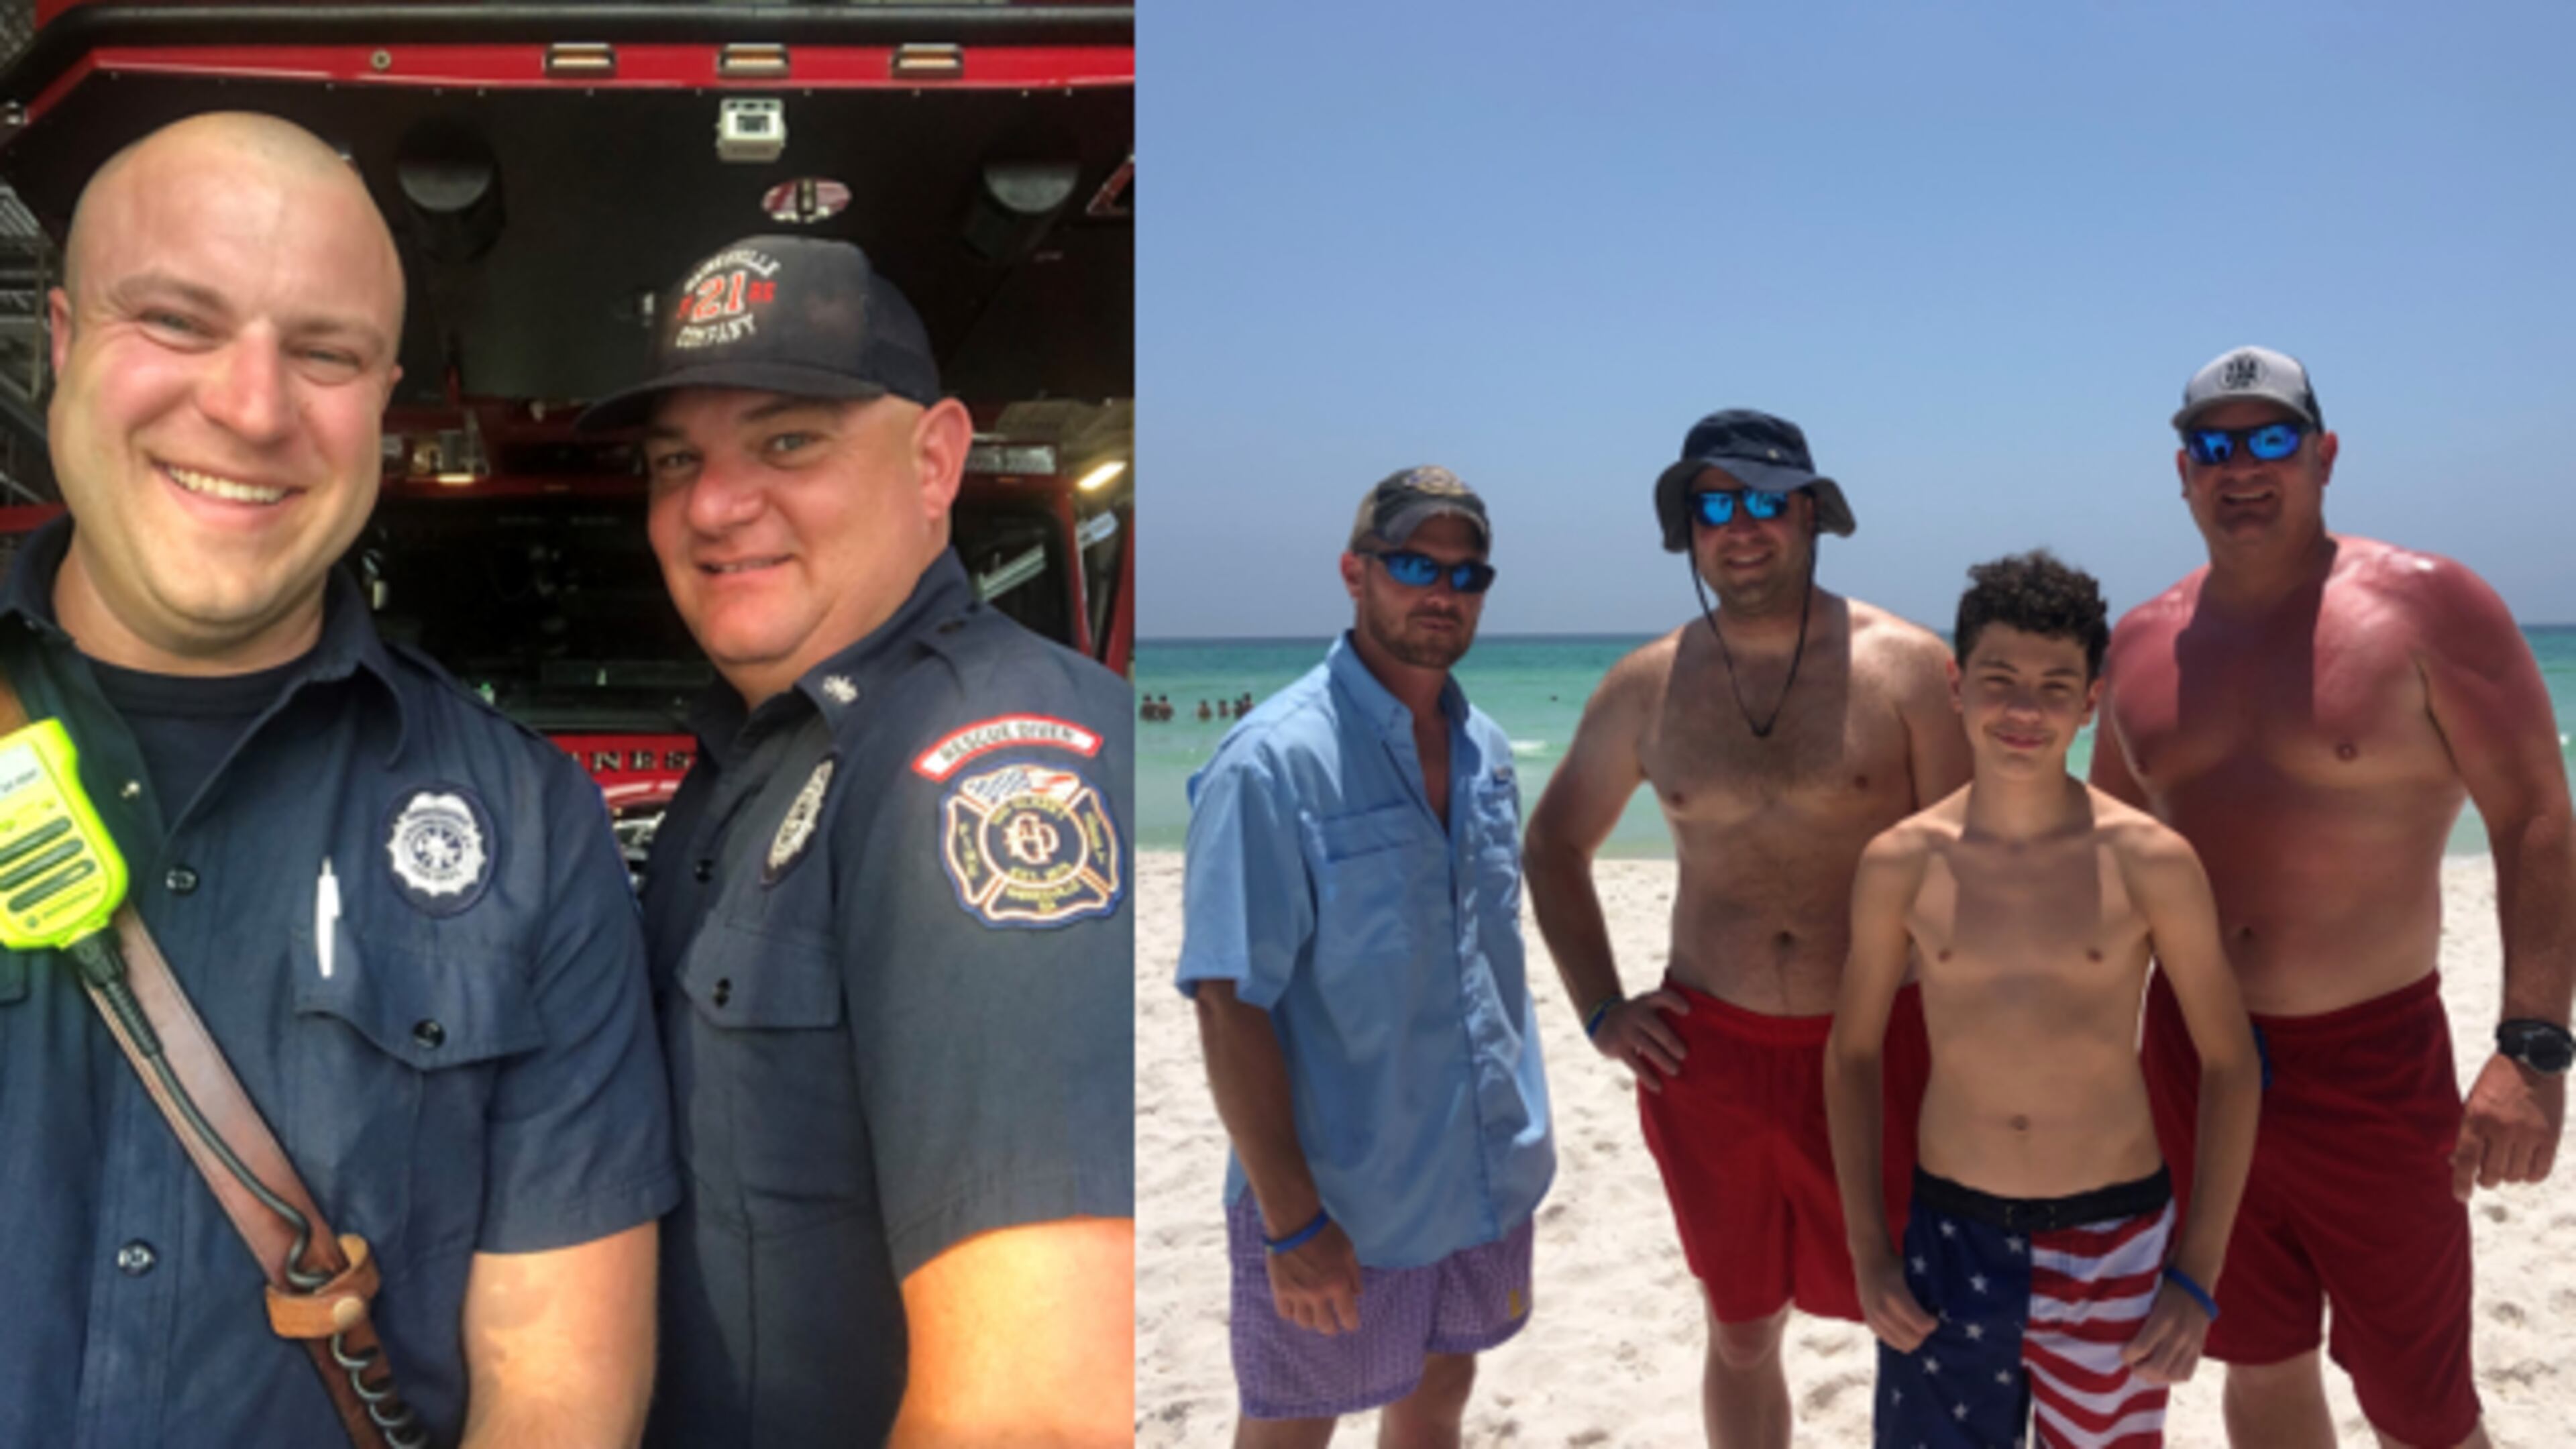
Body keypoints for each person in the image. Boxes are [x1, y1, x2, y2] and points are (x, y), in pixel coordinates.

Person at [0, 113, 676, 1447]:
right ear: (65, 342)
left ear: (384, 396)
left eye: (324, 352)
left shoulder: (535, 830)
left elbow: (556, 1399)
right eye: (181, 324)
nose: (251, 409)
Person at [577, 234, 1134, 1447]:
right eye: (679, 458)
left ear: (935, 460)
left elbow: (1037, 1411)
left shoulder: (983, 767)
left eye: (789, 442)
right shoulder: (765, 753)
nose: (715, 504)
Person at [2092, 346, 2574, 1449]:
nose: (2243, 468)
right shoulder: (2140, 643)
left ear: (2324, 455)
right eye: (2216, 446)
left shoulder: (2431, 608)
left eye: (2272, 440)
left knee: (2423, 1405)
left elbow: (2537, 819)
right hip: (2194, 1057)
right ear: (2182, 471)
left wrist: (2534, 1047)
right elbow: (2109, 866)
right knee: (2255, 1360)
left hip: (2370, 1059)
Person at [1523, 409, 1970, 1448]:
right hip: (1711, 1056)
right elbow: (1552, 849)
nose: (1742, 526)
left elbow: (1978, 865)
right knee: (1737, 1330)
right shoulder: (1645, 686)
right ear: (1689, 530)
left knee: (1917, 1314)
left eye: (1767, 500)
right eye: (1714, 505)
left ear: (1811, 513)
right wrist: (1601, 1007)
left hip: (1885, 1043)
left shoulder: (1905, 668)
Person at [1826, 551, 2261, 1448]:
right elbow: (1852, 1053)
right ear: (1956, 682)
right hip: (1952, 1240)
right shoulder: (1901, 862)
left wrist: (2197, 1273)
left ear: (2091, 700)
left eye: (2055, 686)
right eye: (1999, 680)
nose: (2024, 711)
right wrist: (1869, 1249)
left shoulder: (2150, 861)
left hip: (2117, 1241)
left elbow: (2230, 1060)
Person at [1178, 466, 1552, 1448]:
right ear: (1355, 572)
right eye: (1413, 565)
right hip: (1343, 1194)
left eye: (1467, 574)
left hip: (1476, 1177)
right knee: (1295, 1423)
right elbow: (1227, 1002)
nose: (1442, 592)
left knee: (1439, 1397)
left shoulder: (1491, 754)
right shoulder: (1272, 763)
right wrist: (1293, 1222)